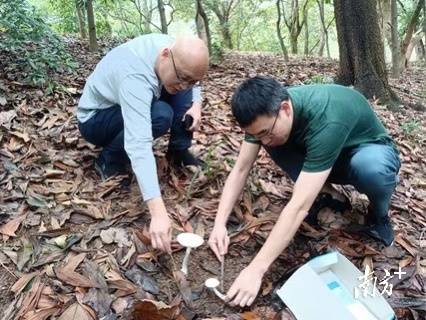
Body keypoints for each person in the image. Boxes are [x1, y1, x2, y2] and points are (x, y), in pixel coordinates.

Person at [208, 76, 401, 307]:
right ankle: (327, 194)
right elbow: (240, 169)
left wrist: (255, 270)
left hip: (365, 151)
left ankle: (378, 214)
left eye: (265, 131)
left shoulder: (326, 118)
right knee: (275, 140)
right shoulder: (264, 115)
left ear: (286, 108)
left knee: (372, 170)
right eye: (257, 134)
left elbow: (298, 207)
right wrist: (219, 224)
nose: (263, 140)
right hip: (323, 156)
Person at [77, 34, 209, 253]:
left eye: (191, 81)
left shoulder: (175, 51)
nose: (186, 85)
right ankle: (108, 160)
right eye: (183, 77)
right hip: (95, 118)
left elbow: (193, 75)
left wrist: (196, 104)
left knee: (181, 93)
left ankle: (178, 150)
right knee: (160, 116)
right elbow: (139, 143)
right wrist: (158, 213)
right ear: (165, 55)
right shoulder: (135, 76)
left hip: (126, 101)